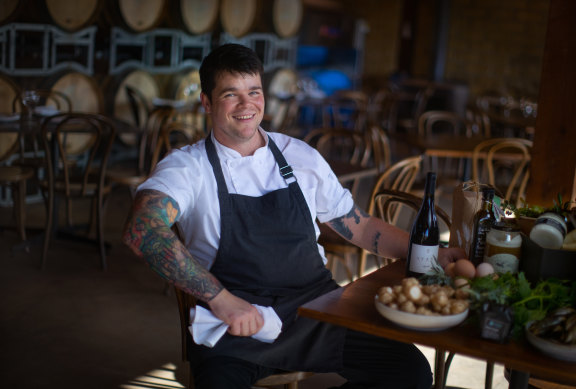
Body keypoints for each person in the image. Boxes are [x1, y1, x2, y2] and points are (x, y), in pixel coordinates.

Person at [123, 43, 465, 389]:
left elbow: (358, 226)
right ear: (207, 103)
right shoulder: (188, 166)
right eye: (231, 94)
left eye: (254, 91)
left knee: (410, 372)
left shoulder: (298, 156)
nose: (246, 105)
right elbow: (142, 229)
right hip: (236, 322)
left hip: (316, 310)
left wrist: (428, 254)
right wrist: (222, 301)